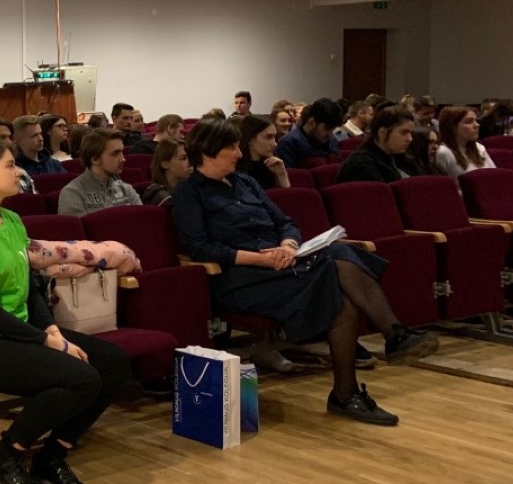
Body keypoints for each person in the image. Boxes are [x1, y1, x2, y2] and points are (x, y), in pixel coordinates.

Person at [171, 119, 439, 425]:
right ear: (208, 151)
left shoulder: (245, 183)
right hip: (242, 279)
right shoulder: (189, 193)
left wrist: (288, 243)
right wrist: (262, 259)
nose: (239, 153)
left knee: (342, 293)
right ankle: (390, 338)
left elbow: (285, 222)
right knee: (338, 259)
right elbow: (202, 248)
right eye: (232, 147)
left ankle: (348, 391)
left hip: (283, 267)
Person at [0, 140, 130, 484]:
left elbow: (29, 292)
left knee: (113, 363)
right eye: (10, 166)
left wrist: (51, 329)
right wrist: (48, 342)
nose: (19, 172)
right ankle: (5, 454)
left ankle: (51, 456)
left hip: (17, 331)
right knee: (81, 378)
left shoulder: (11, 221)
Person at [56, 130, 140, 216]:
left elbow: (141, 220)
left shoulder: (126, 188)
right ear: (95, 159)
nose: (123, 159)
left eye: (122, 152)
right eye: (115, 154)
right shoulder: (72, 193)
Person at [337, 106, 416, 183]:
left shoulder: (398, 156)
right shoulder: (360, 165)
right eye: (404, 133)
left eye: (411, 133)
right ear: (382, 132)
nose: (410, 139)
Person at [274, 98, 343, 167]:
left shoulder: (331, 140)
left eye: (333, 129)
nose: (330, 134)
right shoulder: (288, 143)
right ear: (312, 122)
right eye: (327, 128)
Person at [434, 106, 496, 176]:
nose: (477, 125)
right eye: (469, 122)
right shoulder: (444, 152)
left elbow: (495, 175)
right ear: (453, 127)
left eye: (476, 120)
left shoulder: (479, 147)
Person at [235, 115, 290, 190]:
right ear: (250, 139)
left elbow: (285, 196)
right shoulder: (235, 169)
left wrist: (282, 174)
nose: (275, 144)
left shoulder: (272, 165)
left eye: (274, 137)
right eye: (269, 137)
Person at [142, 137, 190, 206]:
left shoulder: (190, 188)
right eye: (183, 158)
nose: (191, 163)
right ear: (165, 164)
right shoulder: (158, 194)